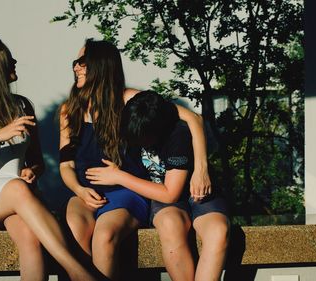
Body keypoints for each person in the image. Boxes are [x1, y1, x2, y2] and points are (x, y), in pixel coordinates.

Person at [59, 39, 214, 280]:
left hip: (126, 190)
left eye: (82, 62)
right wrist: (78, 189)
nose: (75, 68)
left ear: (101, 66)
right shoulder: (69, 110)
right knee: (75, 234)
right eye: (75, 63)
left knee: (103, 236)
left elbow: (193, 118)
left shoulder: (130, 99)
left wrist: (201, 168)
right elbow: (66, 164)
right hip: (85, 193)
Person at [0, 37, 95, 281]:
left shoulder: (22, 106)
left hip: (19, 196)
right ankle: (77, 271)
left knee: (30, 238)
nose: (14, 62)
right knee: (16, 187)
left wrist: (32, 171)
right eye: (8, 59)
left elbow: (37, 161)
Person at [86, 90, 230, 281]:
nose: (136, 142)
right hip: (162, 196)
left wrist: (119, 176)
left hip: (194, 191)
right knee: (170, 224)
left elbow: (170, 194)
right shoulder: (134, 112)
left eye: (142, 139)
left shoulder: (177, 134)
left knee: (218, 231)